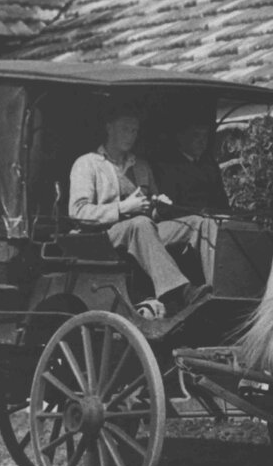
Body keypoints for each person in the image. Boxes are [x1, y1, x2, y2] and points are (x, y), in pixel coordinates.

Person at [68, 108, 211, 317]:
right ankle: (181, 291)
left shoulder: (141, 166)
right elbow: (77, 211)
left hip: (143, 233)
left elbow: (151, 209)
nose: (131, 136)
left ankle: (216, 288)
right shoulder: (87, 163)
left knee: (199, 223)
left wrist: (159, 208)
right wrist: (122, 208)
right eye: (125, 129)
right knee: (140, 224)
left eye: (134, 131)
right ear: (109, 129)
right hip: (102, 239)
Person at [151, 120, 229, 281]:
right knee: (205, 224)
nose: (202, 141)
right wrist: (204, 215)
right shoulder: (167, 165)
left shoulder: (209, 165)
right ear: (181, 138)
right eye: (196, 136)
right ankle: (215, 282)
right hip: (182, 223)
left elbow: (222, 202)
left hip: (213, 220)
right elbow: (169, 208)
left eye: (205, 137)